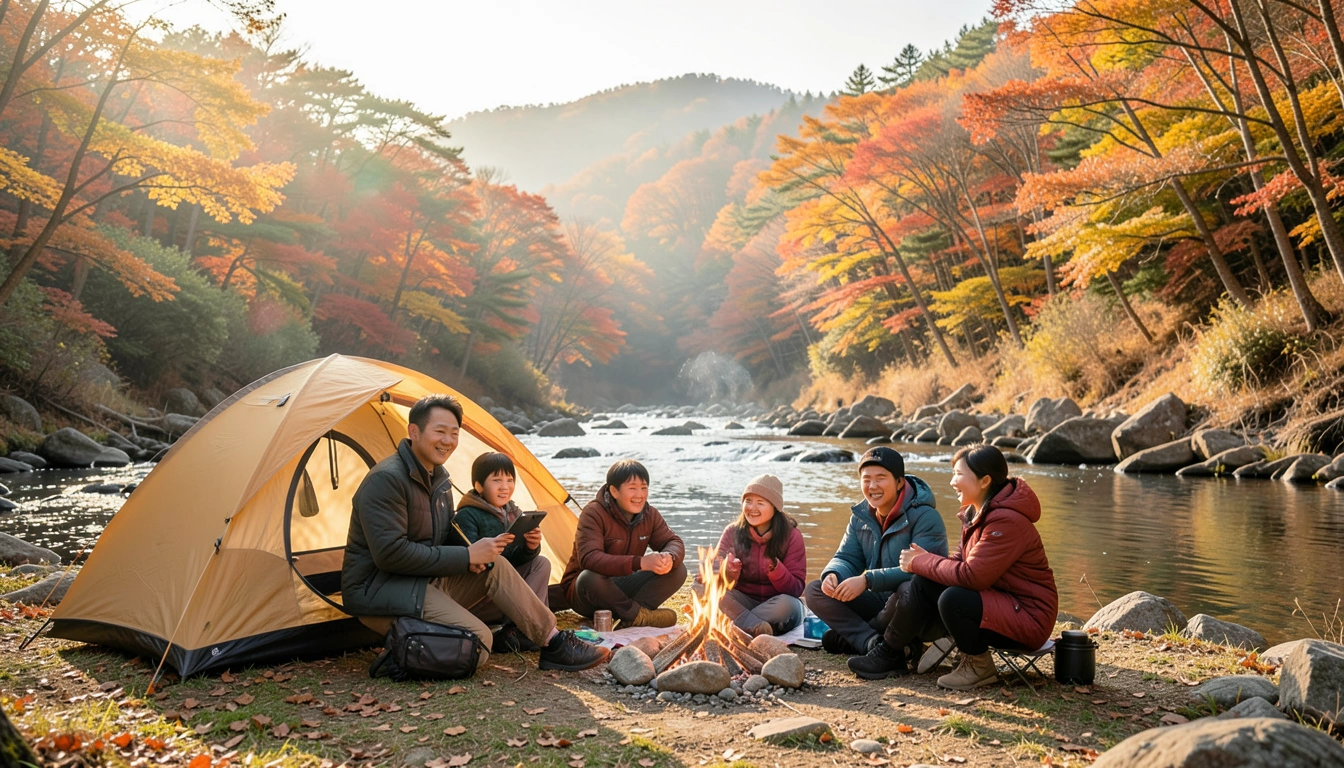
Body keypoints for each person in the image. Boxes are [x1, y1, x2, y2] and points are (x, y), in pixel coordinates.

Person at [341, 394, 609, 672]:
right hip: (380, 591)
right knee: (479, 642)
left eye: (454, 433)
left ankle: (554, 643)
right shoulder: (387, 480)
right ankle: (399, 653)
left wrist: (481, 554)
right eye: (440, 431)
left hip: (423, 582)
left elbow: (443, 539)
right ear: (414, 431)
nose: (448, 441)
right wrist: (466, 556)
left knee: (496, 565)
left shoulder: (439, 481)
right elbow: (390, 554)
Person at [846, 444, 1057, 688]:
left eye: (958, 474)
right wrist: (925, 562)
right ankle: (890, 653)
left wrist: (922, 561)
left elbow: (973, 576)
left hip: (1029, 618)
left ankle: (978, 666)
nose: (952, 482)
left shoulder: (1007, 521)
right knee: (925, 580)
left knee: (954, 599)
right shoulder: (978, 513)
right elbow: (960, 562)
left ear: (984, 481)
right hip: (1003, 603)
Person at [804, 446, 948, 656]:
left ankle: (858, 639)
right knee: (815, 590)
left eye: (880, 478)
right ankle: (872, 642)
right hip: (878, 600)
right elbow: (847, 557)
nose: (872, 486)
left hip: (914, 606)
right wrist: (834, 574)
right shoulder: (860, 516)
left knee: (907, 589)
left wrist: (867, 580)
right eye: (866, 479)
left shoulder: (926, 516)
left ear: (899, 482)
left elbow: (926, 572)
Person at [559, 459, 688, 628]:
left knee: (678, 569)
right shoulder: (593, 513)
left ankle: (633, 617)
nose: (639, 495)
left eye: (644, 488)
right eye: (632, 488)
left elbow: (673, 541)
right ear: (614, 491)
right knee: (589, 577)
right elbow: (589, 558)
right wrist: (640, 563)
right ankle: (635, 615)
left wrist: (669, 557)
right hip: (588, 593)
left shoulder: (650, 514)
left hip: (623, 586)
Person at [455, 452, 549, 653]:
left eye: (510, 480)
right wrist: (494, 549)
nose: (505, 487)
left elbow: (513, 561)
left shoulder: (513, 512)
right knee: (500, 564)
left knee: (541, 563)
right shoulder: (467, 515)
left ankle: (518, 630)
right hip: (481, 593)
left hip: (508, 590)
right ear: (479, 486)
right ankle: (520, 629)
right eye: (496, 480)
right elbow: (472, 561)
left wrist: (530, 547)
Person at [696, 474, 806, 637]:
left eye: (760, 503)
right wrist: (727, 571)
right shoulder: (732, 532)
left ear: (775, 507)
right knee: (700, 586)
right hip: (741, 602)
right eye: (748, 501)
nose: (752, 508)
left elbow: (796, 589)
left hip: (774, 605)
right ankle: (754, 626)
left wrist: (776, 570)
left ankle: (738, 624)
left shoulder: (792, 536)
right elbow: (711, 575)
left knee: (788, 606)